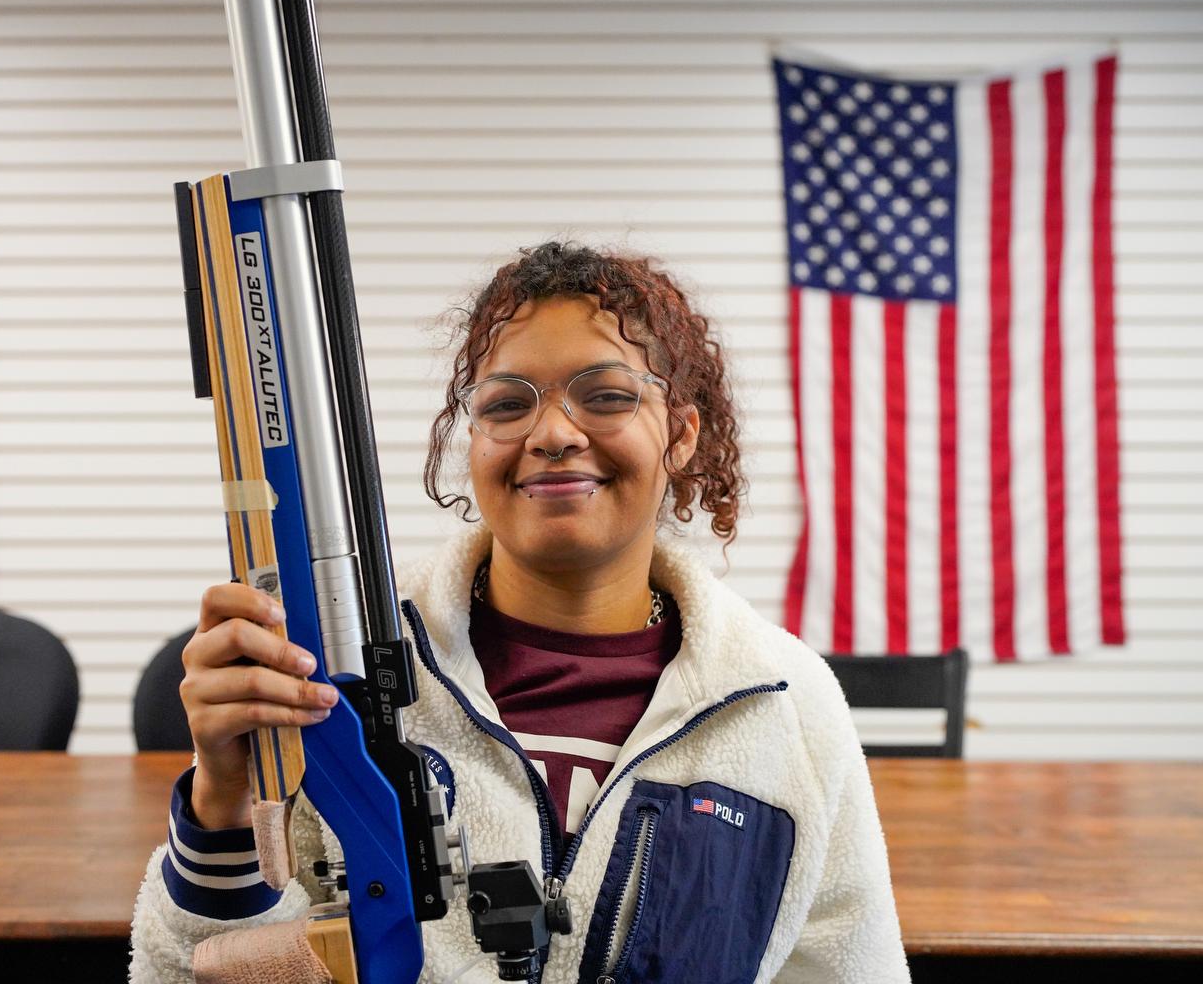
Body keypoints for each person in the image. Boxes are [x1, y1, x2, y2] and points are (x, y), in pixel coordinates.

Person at [130, 241, 911, 983]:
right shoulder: (332, 675)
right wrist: (222, 803)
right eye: (509, 403)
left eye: (605, 396)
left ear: (681, 434)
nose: (553, 434)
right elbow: (191, 970)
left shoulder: (786, 705)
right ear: (472, 441)